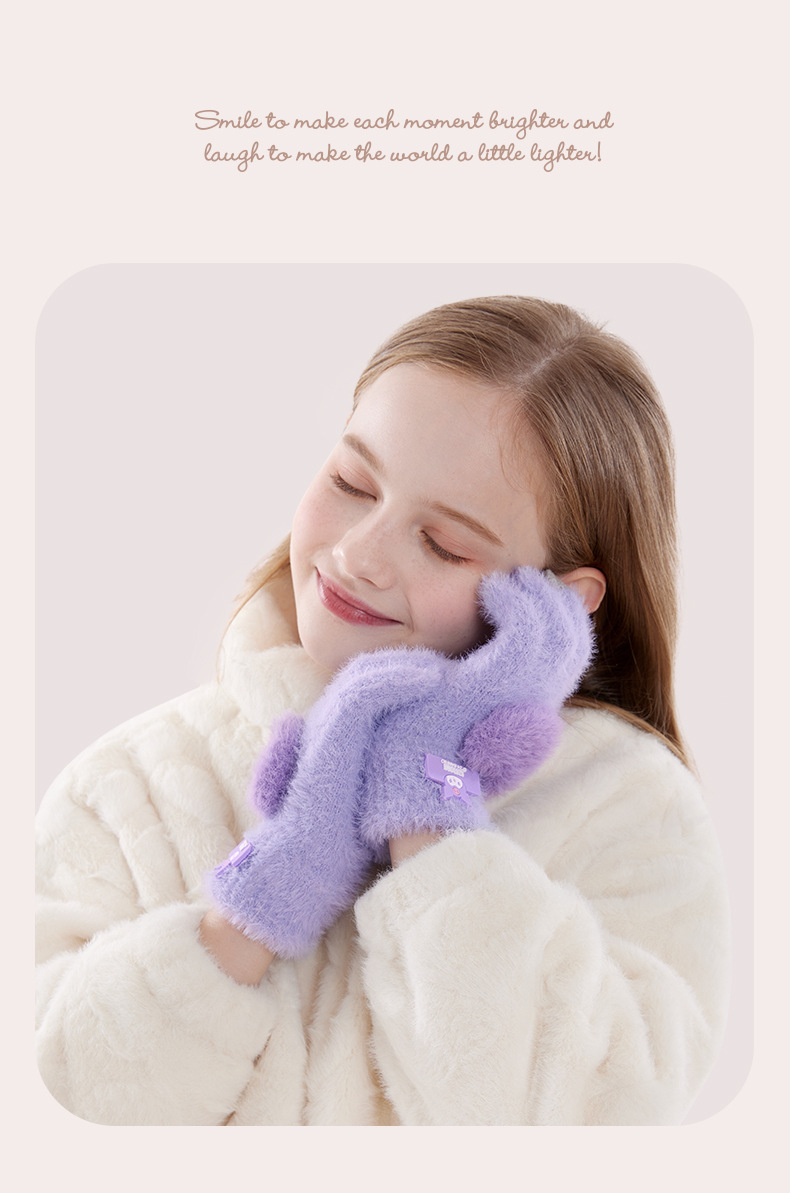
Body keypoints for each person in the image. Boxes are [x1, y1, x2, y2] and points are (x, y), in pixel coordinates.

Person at [35, 295, 730, 1126]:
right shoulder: (130, 786)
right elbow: (53, 1115)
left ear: (556, 602)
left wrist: (431, 811)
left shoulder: (630, 808)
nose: (357, 553)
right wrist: (263, 897)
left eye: (444, 543)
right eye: (352, 483)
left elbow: (599, 1128)